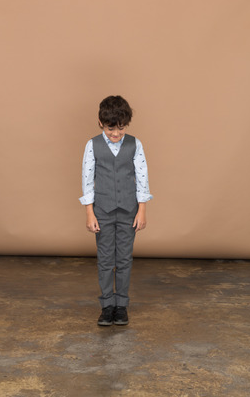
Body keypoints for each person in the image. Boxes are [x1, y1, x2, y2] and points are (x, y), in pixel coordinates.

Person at [79, 95, 152, 326]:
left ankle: (121, 306)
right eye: (111, 128)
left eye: (121, 128)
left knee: (124, 259)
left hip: (129, 211)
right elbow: (87, 180)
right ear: (101, 122)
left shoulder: (135, 144)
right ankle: (106, 306)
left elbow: (142, 178)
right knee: (105, 260)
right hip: (103, 210)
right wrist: (90, 212)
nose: (116, 133)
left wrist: (142, 210)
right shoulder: (92, 145)